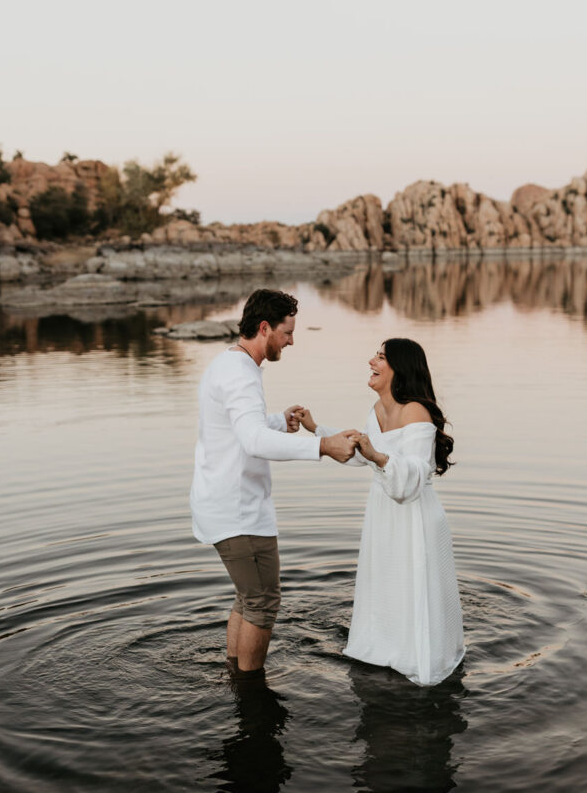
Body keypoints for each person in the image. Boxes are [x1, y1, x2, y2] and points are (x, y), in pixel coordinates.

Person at [190, 288, 357, 679]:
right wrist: (323, 446)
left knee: (248, 599)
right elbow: (251, 441)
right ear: (264, 328)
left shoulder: (228, 364)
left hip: (222, 504)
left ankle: (234, 675)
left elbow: (241, 427)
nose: (291, 341)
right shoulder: (242, 374)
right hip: (240, 512)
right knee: (263, 602)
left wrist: (279, 421)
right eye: (287, 332)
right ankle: (251, 695)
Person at [299, 338, 465, 686]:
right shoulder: (377, 411)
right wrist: (317, 430)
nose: (371, 361)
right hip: (383, 512)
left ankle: (420, 656)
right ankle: (384, 647)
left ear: (399, 368)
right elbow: (362, 452)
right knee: (386, 580)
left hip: (414, 516)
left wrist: (377, 456)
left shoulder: (416, 411)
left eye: (381, 357)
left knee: (414, 584)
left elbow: (416, 474)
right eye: (375, 354)